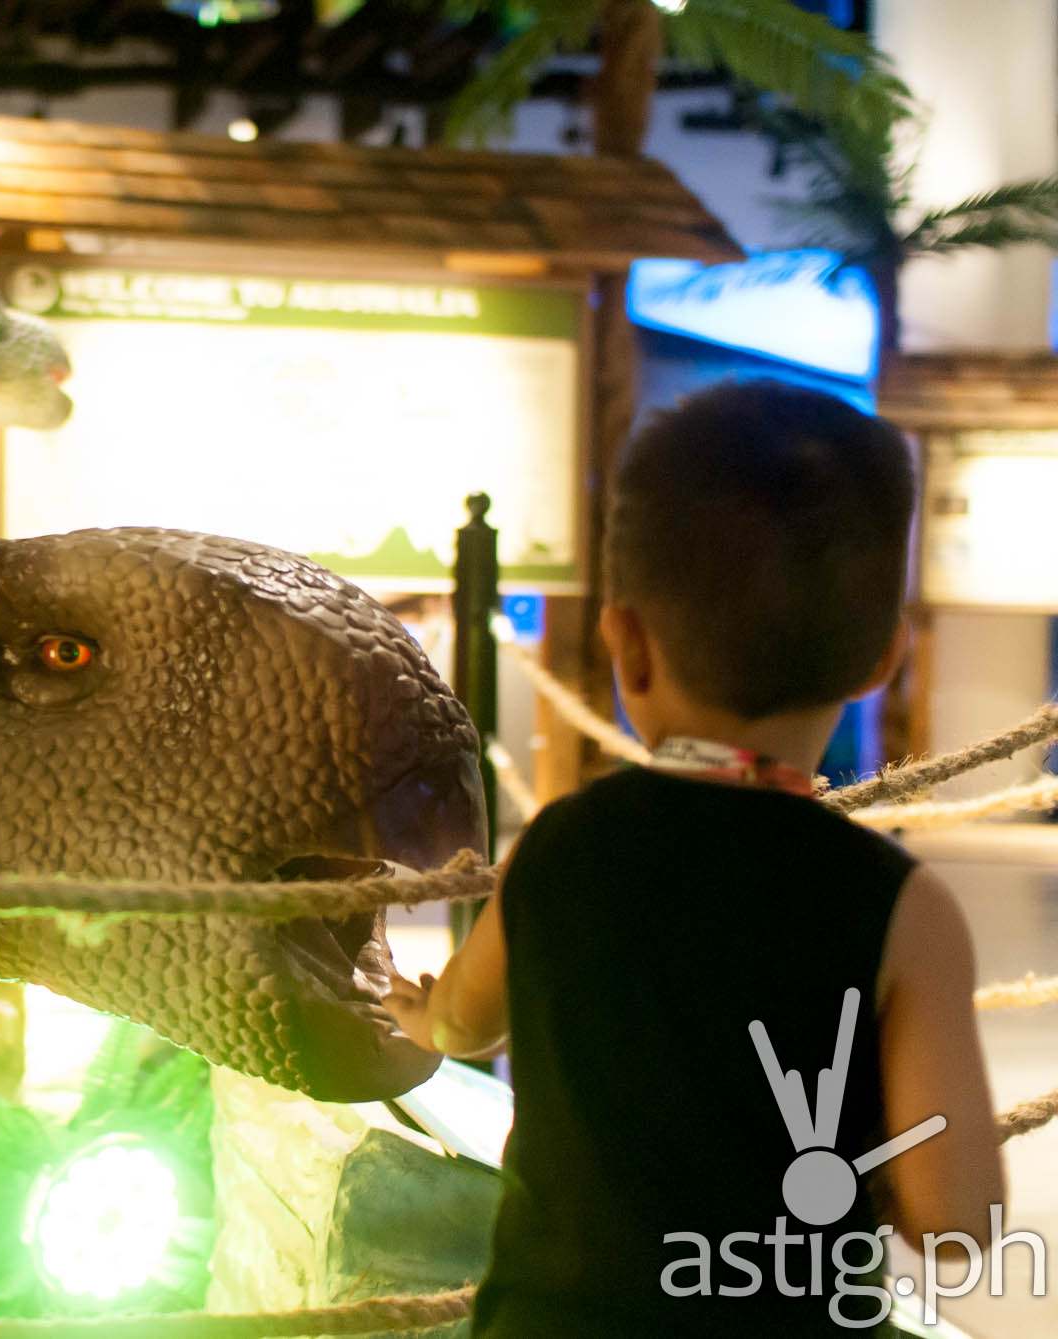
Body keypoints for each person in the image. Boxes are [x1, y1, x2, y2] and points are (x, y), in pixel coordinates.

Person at [382, 381, 1005, 1335]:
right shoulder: (903, 907)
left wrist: (426, 1012)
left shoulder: (562, 845)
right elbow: (956, 1223)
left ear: (626, 646)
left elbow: (465, 1026)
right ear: (884, 657)